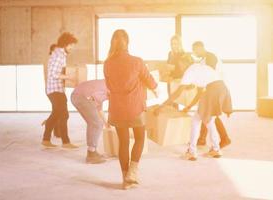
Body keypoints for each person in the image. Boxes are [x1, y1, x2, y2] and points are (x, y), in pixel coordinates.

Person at [104, 29, 158, 189]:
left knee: (123, 142)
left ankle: (124, 179)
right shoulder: (137, 61)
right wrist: (154, 86)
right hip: (135, 108)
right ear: (127, 42)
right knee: (140, 138)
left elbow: (108, 85)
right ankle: (132, 173)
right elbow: (151, 82)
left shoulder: (107, 63)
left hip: (117, 109)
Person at [155, 55, 232, 161]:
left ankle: (192, 151)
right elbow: (200, 93)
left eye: (181, 65)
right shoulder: (199, 67)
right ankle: (216, 149)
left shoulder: (189, 72)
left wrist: (162, 106)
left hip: (213, 91)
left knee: (196, 121)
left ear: (185, 64)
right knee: (210, 121)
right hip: (222, 89)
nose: (180, 67)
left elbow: (176, 93)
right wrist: (189, 106)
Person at [41, 32, 79, 149]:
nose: (72, 47)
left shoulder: (59, 54)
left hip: (56, 89)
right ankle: (66, 142)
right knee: (64, 114)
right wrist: (69, 77)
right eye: (71, 45)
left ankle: (46, 140)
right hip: (55, 90)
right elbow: (53, 74)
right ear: (65, 44)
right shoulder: (59, 55)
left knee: (56, 114)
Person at [192, 41, 231, 148]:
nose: (194, 53)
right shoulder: (204, 59)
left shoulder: (211, 57)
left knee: (211, 113)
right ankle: (202, 138)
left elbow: (208, 74)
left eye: (194, 50)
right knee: (206, 111)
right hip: (210, 88)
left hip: (216, 88)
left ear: (200, 47)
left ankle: (225, 138)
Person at [71, 79, 109, 164]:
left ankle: (92, 151)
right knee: (97, 124)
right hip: (81, 97)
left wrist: (106, 123)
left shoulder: (104, 87)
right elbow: (92, 98)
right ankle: (91, 154)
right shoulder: (109, 87)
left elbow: (99, 108)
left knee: (94, 123)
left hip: (77, 95)